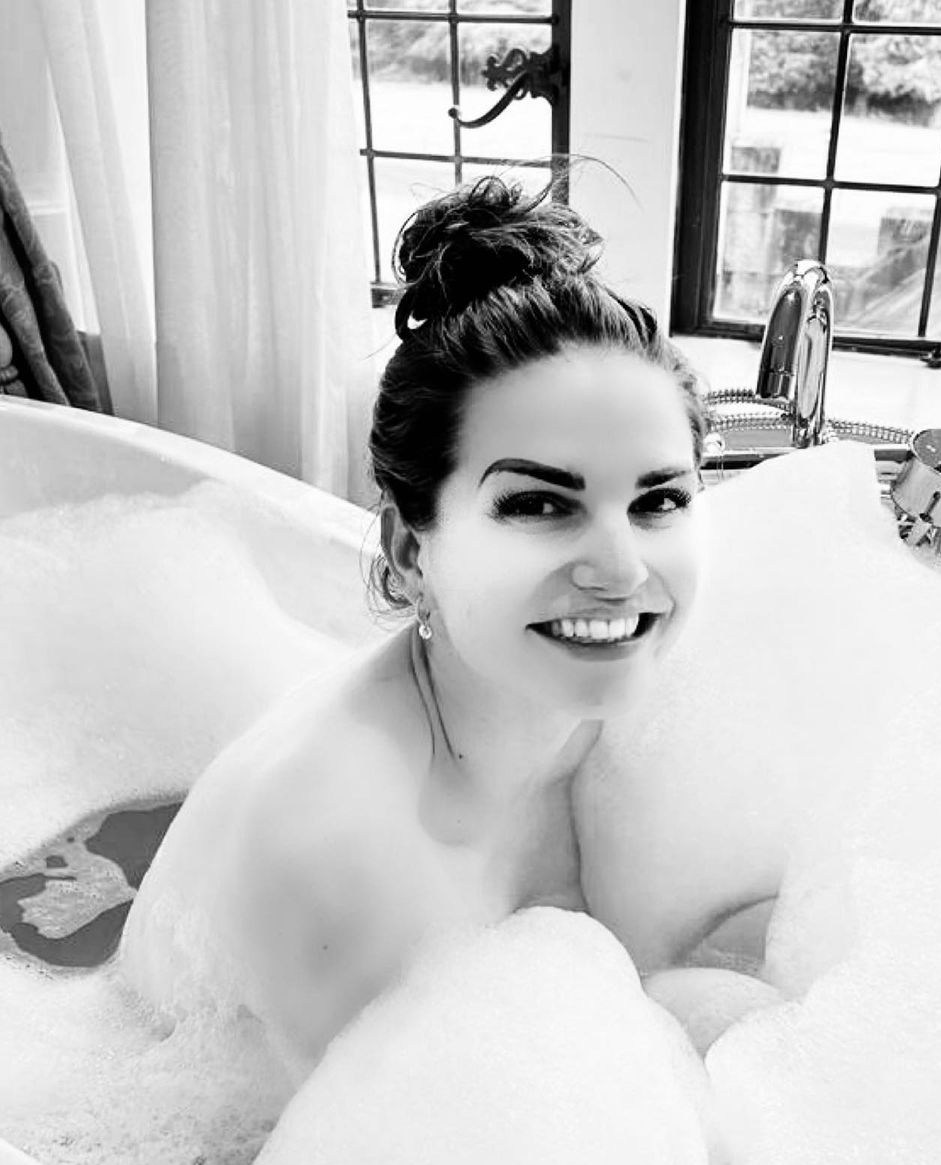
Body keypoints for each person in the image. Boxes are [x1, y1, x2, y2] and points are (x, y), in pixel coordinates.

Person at [118, 176, 780, 1073]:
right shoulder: (341, 860)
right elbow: (333, 1156)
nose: (623, 570)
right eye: (540, 503)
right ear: (409, 549)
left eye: (657, 499)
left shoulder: (628, 705)